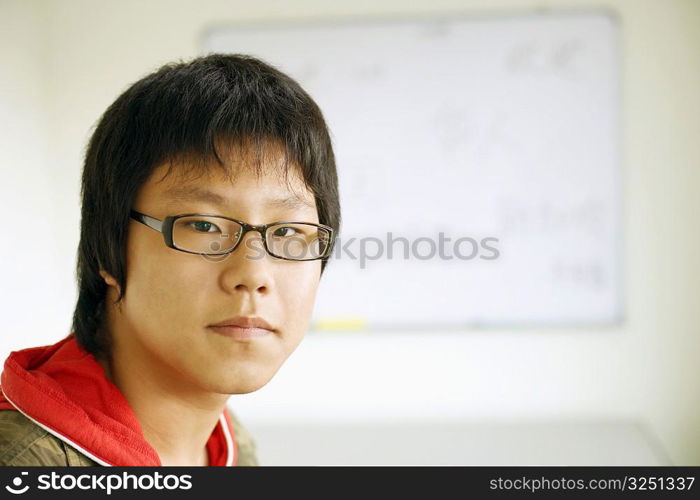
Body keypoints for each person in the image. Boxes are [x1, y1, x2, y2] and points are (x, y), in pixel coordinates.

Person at [0, 53, 340, 466]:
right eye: (203, 226)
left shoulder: (228, 446)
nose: (253, 275)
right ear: (109, 246)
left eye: (287, 232)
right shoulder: (22, 461)